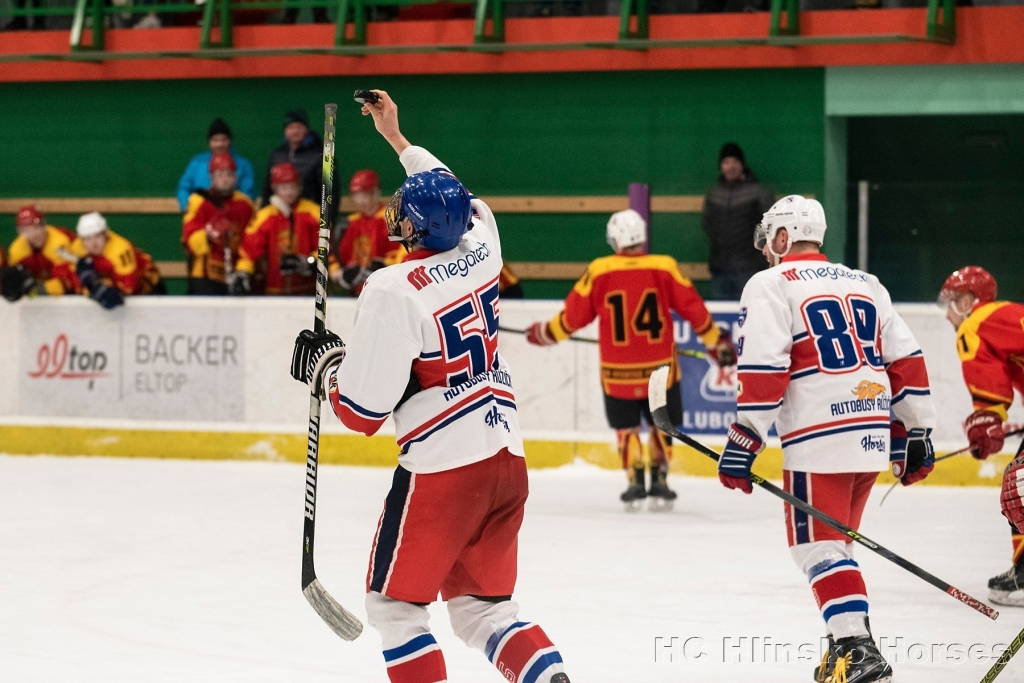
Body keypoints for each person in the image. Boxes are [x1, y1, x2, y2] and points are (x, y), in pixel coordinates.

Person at [289, 90, 570, 683]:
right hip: (506, 460)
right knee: (485, 612)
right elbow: (452, 189)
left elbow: (362, 411)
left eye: (403, 210)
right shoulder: (484, 246)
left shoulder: (393, 288)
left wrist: (324, 368)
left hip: (444, 470)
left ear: (415, 225)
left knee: (394, 608)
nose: (396, 213)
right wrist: (397, 138)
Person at [718, 195, 936, 683]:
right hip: (871, 432)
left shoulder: (770, 283)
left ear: (780, 238)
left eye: (769, 240)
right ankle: (844, 648)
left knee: (816, 549)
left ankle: (857, 648)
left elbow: (766, 362)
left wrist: (746, 433)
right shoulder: (866, 282)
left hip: (819, 435)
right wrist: (915, 430)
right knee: (837, 547)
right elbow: (906, 360)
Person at [524, 208, 736, 508]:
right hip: (660, 369)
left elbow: (573, 316)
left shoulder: (600, 270)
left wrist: (544, 333)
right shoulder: (664, 266)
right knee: (663, 423)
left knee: (626, 427)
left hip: (617, 371)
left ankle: (635, 480)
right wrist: (716, 342)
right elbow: (693, 307)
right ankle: (660, 478)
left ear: (615, 239)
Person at [938, 266, 1024, 606]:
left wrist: (987, 418)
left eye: (953, 303)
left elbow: (989, 384)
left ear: (970, 301)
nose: (948, 314)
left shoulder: (977, 322)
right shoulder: (1008, 315)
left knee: (1019, 487)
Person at [232, 162, 320, 296]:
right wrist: (242, 273)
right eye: (284, 187)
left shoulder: (314, 213)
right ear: (274, 188)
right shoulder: (264, 217)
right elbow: (249, 250)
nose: (289, 192)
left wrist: (308, 262)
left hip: (309, 291)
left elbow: (326, 250)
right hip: (274, 290)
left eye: (292, 186)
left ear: (299, 187)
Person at [701, 142, 775, 300]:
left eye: (734, 162)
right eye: (726, 162)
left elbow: (770, 226)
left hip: (750, 269)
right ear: (721, 166)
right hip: (720, 269)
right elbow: (707, 224)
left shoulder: (759, 192)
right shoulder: (713, 194)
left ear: (742, 164)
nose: (730, 166)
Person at [182, 152, 255, 295]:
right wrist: (207, 236)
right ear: (212, 178)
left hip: (236, 274)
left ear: (236, 177)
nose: (225, 180)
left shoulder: (245, 204)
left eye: (229, 175)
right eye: (220, 175)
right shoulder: (199, 200)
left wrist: (245, 269)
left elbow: (251, 240)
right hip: (205, 275)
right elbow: (188, 236)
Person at [69, 212, 165, 309]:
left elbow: (129, 288)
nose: (93, 244)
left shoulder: (120, 250)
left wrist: (96, 285)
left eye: (97, 236)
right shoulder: (77, 249)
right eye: (87, 239)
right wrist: (93, 288)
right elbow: (77, 286)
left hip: (147, 283)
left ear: (106, 234)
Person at [329, 169, 403, 295]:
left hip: (387, 292)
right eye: (357, 196)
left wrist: (384, 266)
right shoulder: (348, 223)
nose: (361, 201)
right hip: (356, 293)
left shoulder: (393, 219)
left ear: (375, 193)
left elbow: (403, 255)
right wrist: (338, 273)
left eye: (365, 195)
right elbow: (334, 256)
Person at [261, 109, 337, 216]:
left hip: (310, 215)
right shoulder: (277, 155)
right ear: (285, 130)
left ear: (307, 129)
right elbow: (267, 189)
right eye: (291, 127)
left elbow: (330, 193)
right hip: (279, 216)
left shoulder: (322, 156)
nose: (295, 131)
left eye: (299, 127)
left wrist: (328, 221)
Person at [176, 118, 257, 210]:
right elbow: (183, 188)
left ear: (230, 141)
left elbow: (248, 195)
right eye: (215, 140)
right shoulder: (197, 162)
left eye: (224, 140)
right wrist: (186, 205)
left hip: (232, 217)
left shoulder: (243, 165)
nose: (219, 144)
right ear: (209, 142)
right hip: (202, 215)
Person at [2, 205, 77, 301]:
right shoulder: (17, 250)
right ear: (19, 232)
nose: (33, 234)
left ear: (45, 225)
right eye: (26, 230)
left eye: (36, 227)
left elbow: (66, 282)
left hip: (63, 300)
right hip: (34, 298)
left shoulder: (59, 243)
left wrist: (35, 291)